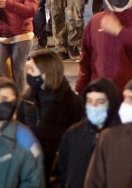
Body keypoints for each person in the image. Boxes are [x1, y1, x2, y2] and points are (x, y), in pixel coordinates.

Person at [20, 49, 80, 182]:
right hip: (31, 169)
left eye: (32, 70)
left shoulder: (71, 103)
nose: (28, 73)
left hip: (58, 170)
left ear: (46, 74)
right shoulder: (26, 100)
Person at [56, 77, 121, 188]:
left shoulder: (123, 136)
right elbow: (62, 172)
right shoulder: (74, 133)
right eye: (89, 101)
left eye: (100, 102)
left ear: (111, 104)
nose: (94, 107)